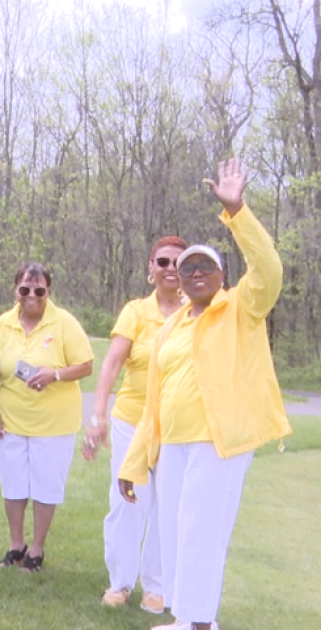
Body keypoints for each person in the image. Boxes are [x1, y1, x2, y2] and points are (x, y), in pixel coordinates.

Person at [119, 158, 291, 630]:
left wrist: (236, 210)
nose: (195, 273)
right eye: (187, 267)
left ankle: (199, 624)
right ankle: (188, 619)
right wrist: (133, 462)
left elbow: (269, 268)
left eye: (206, 266)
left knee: (201, 532)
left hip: (219, 443)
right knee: (176, 533)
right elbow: (155, 401)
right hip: (173, 445)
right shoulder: (171, 326)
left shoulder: (241, 306)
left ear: (222, 275)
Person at [83, 235, 188, 613]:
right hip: (132, 421)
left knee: (167, 508)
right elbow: (111, 365)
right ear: (150, 268)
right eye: (163, 262)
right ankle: (120, 582)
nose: (170, 269)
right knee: (128, 502)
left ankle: (157, 586)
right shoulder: (135, 311)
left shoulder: (196, 312)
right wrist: (98, 417)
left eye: (178, 262)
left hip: (176, 426)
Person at [0, 262, 94, 572]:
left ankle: (36, 549)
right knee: (13, 485)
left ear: (49, 291)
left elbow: (86, 365)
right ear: (15, 290)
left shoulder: (64, 322)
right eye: (24, 289)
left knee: (46, 486)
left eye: (39, 290)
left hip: (53, 424)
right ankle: (16, 544)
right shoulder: (2, 323)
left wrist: (54, 374)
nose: (31, 296)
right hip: (11, 421)